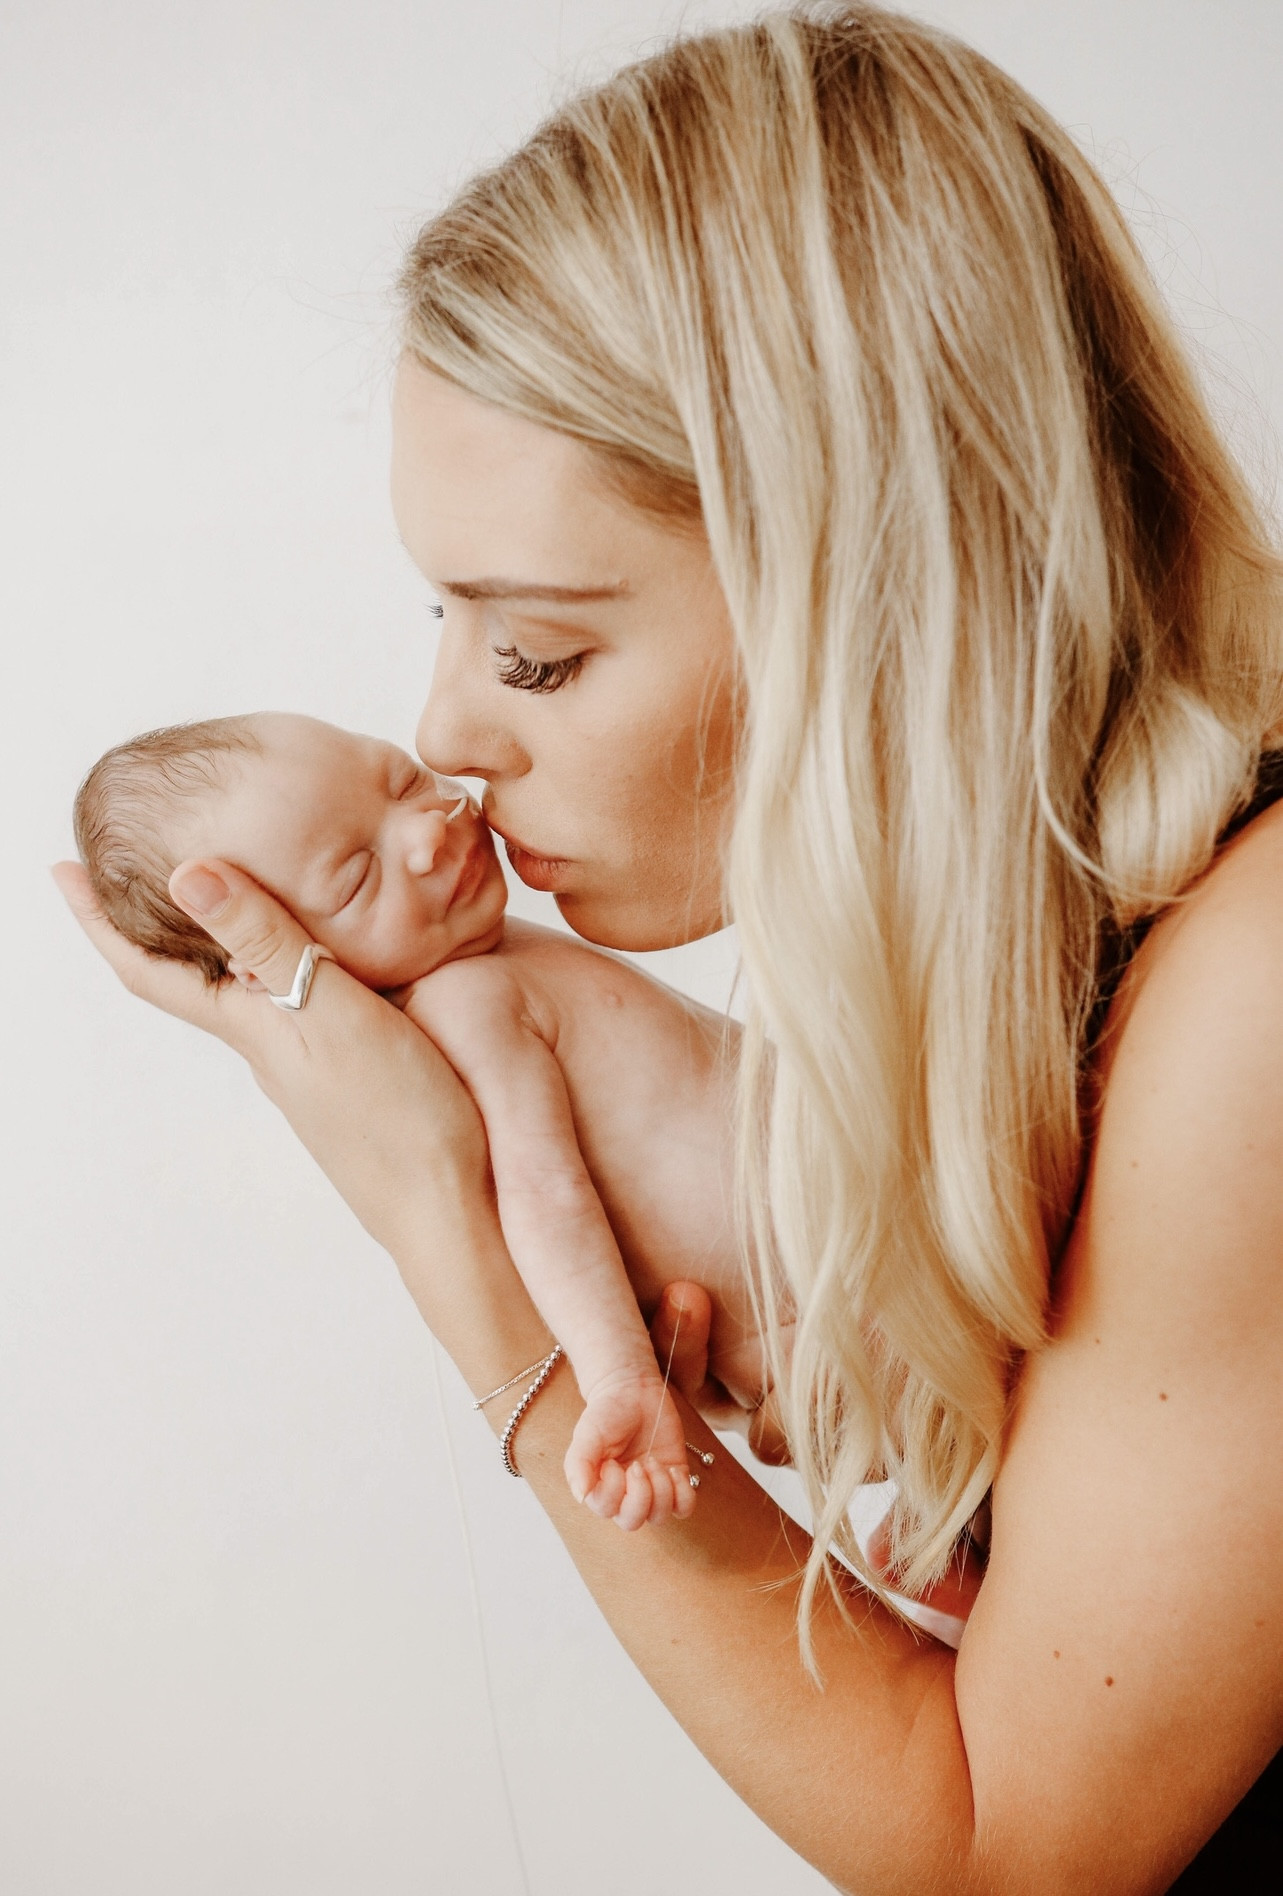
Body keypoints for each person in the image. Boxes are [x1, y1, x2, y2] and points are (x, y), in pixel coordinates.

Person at [56, 6, 1283, 1889]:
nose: (449, 729)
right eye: (447, 623)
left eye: (536, 650)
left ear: (872, 580)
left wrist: (454, 1246)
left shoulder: (1250, 996)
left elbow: (1018, 1857)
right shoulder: (1045, 962)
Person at [71, 710, 773, 1522]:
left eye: (401, 779)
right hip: (832, 1298)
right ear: (282, 961)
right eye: (356, 879)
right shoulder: (462, 1004)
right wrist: (620, 1377)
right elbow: (544, 1196)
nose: (427, 832)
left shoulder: (487, 950)